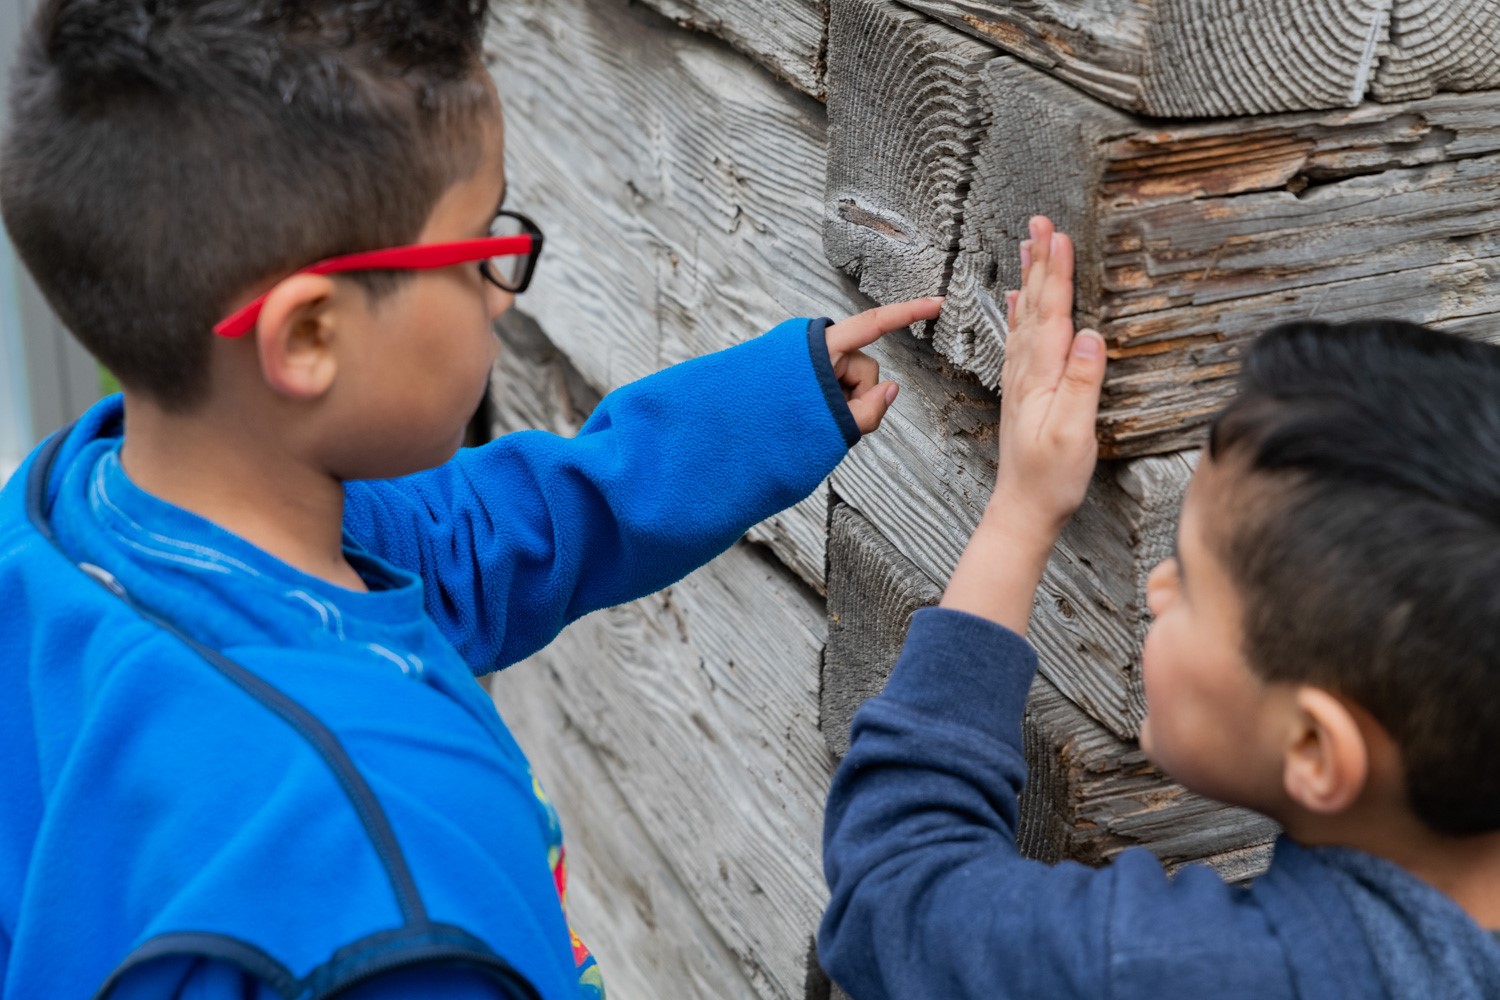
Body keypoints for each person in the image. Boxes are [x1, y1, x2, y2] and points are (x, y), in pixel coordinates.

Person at [0, 2, 944, 997]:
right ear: (310, 336)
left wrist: (767, 409)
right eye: (476, 244)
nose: (502, 289)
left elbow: (479, 537)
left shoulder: (80, 518)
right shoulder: (393, 890)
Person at [818, 215, 1500, 998]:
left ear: (1314, 750)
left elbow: (896, 890)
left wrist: (1019, 514)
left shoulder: (1175, 973)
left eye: (1191, 577)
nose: (1156, 586)